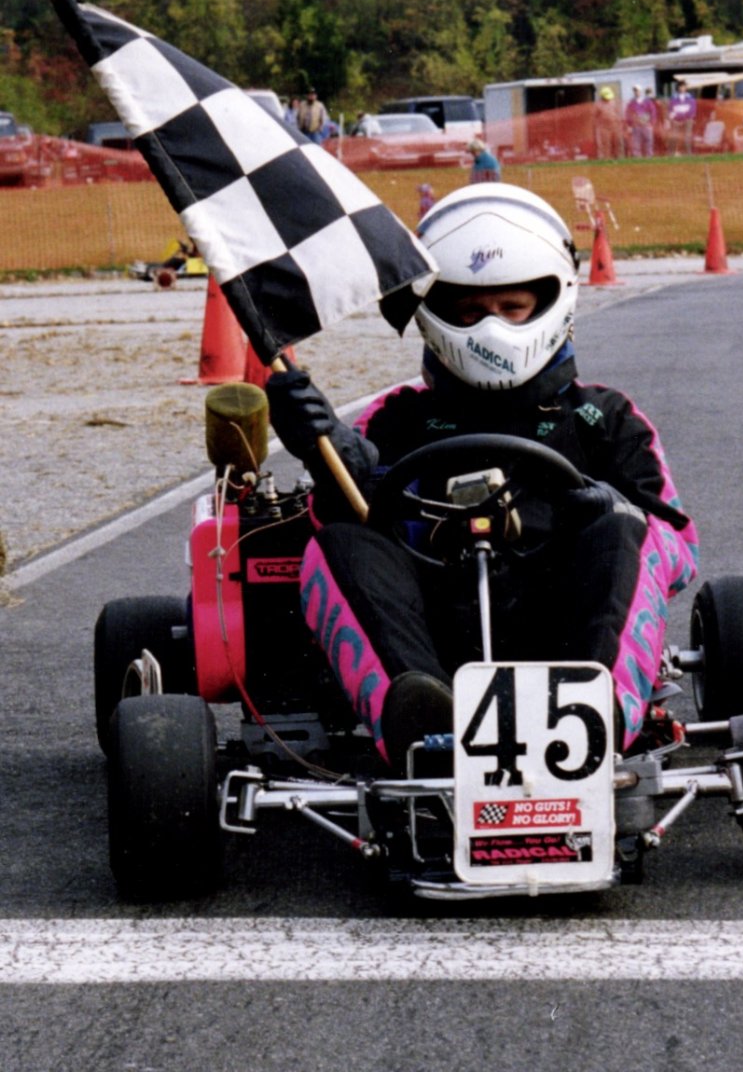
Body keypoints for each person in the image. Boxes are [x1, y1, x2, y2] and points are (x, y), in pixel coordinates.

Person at [266, 184, 699, 774]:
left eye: (511, 307)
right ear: (436, 311)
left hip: (566, 627)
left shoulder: (604, 418)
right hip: (433, 637)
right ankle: (421, 728)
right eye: (470, 312)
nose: (490, 328)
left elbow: (678, 546)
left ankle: (591, 717)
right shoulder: (396, 420)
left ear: (553, 299)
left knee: (632, 531)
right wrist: (330, 458)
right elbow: (348, 526)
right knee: (336, 544)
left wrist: (604, 506)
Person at [625, 85, 657, 157]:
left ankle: (649, 155)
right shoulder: (631, 102)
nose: (636, 92)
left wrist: (652, 122)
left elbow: (653, 112)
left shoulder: (647, 101)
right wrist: (629, 124)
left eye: (637, 90)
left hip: (647, 124)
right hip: (636, 125)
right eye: (635, 91)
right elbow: (628, 113)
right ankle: (637, 156)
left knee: (648, 140)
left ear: (641, 91)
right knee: (636, 141)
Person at [594, 86, 624, 159]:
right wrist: (597, 126)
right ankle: (605, 158)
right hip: (603, 128)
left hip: (615, 126)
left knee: (617, 142)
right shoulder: (598, 104)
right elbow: (595, 117)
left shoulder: (614, 103)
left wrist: (620, 123)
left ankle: (618, 157)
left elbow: (619, 113)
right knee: (605, 143)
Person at [667, 81, 697, 154]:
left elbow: (693, 109)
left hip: (688, 120)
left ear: (686, 87)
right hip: (676, 120)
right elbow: (671, 109)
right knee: (674, 137)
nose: (682, 88)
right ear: (678, 87)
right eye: (680, 86)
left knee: (687, 137)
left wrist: (686, 117)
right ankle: (671, 153)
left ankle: (688, 153)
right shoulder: (673, 97)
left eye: (683, 86)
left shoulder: (690, 97)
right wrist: (674, 118)